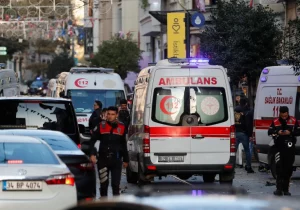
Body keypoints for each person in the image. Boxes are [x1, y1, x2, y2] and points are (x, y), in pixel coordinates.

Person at [89, 106, 129, 197]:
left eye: (112, 114)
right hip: (103, 160)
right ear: (106, 114)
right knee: (103, 186)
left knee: (115, 185)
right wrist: (92, 154)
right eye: (108, 114)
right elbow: (93, 141)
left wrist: (126, 159)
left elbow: (123, 144)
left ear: (117, 115)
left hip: (116, 160)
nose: (110, 116)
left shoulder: (122, 127)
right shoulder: (101, 126)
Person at [268, 106, 300, 196]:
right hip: (278, 147)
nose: (284, 115)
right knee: (279, 168)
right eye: (282, 113)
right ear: (280, 113)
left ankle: (286, 189)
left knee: (288, 169)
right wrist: (277, 132)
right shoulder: (275, 121)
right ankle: (279, 189)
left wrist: (290, 133)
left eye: (285, 113)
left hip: (290, 148)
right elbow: (269, 132)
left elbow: (298, 131)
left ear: (287, 113)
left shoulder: (293, 121)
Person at [234, 98, 254, 173]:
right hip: (244, 133)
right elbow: (248, 124)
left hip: (235, 132)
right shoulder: (247, 111)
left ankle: (231, 166)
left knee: (233, 151)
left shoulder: (235, 110)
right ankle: (248, 167)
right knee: (247, 151)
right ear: (245, 103)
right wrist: (250, 134)